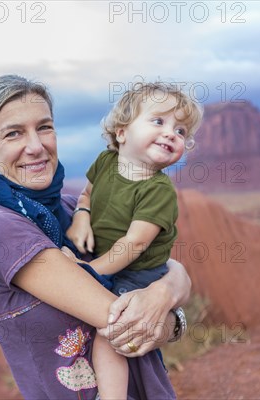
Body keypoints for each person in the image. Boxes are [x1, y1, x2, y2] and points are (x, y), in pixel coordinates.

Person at [0, 74, 191, 399]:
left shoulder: (74, 209)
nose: (35, 146)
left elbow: (165, 267)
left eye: (44, 127)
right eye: (14, 133)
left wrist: (164, 293)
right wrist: (172, 307)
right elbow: (119, 323)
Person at [65, 82, 203, 399]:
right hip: (105, 261)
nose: (172, 133)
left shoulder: (158, 191)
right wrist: (82, 216)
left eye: (181, 131)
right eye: (159, 121)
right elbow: (86, 194)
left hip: (137, 273)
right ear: (122, 132)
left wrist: (86, 273)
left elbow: (134, 244)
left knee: (111, 329)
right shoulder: (104, 162)